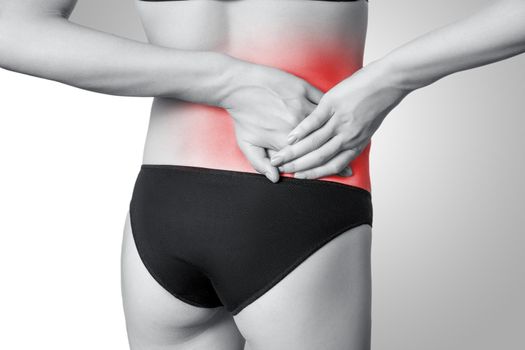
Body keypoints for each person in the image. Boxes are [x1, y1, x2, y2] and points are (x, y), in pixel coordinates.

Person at [0, 0, 524, 349]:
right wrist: (390, 77)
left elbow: (11, 27)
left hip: (163, 202)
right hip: (298, 188)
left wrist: (219, 79)